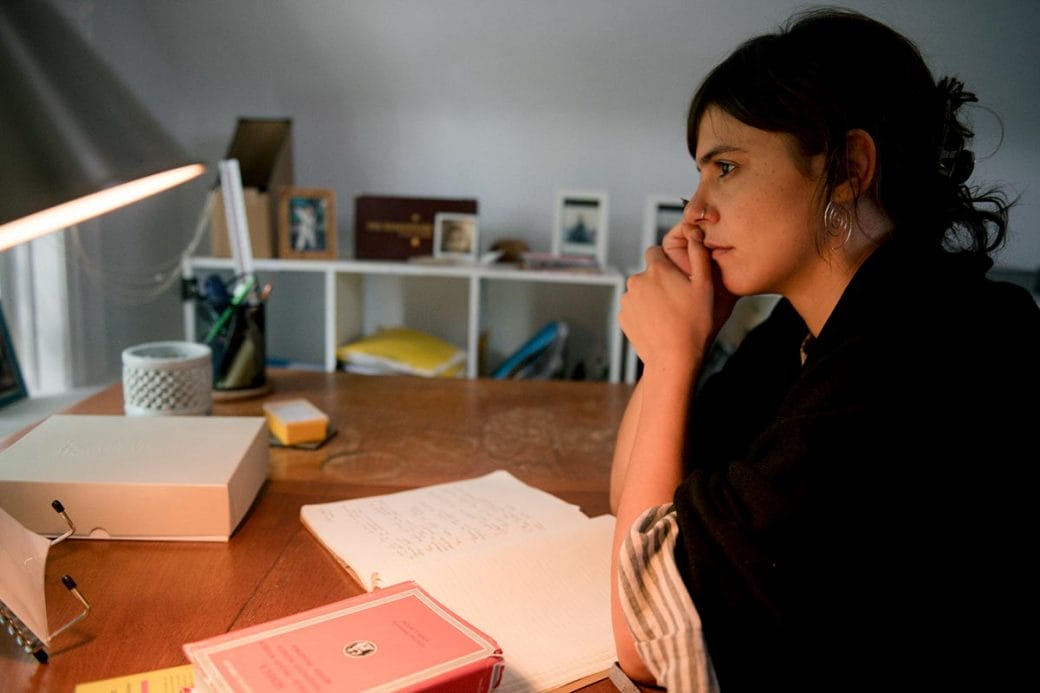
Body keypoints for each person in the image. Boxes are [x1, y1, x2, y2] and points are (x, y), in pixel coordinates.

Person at [610, 7, 1040, 692]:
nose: (694, 211)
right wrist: (683, 348)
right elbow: (645, 509)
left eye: (726, 167)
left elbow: (645, 637)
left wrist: (666, 360)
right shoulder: (809, 327)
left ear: (848, 167)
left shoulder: (915, 352)